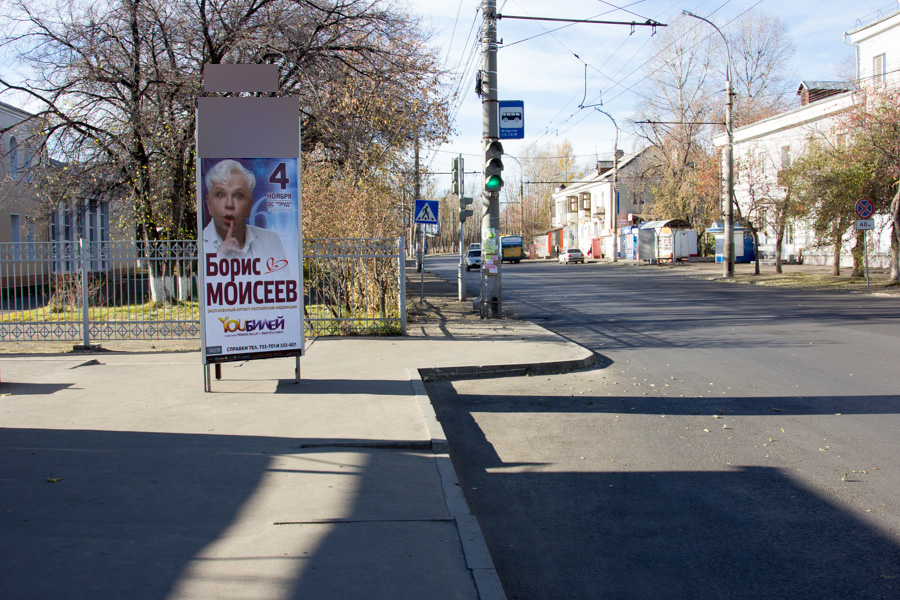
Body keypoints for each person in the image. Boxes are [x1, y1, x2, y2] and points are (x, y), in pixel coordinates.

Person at [202, 159, 288, 268]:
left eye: (238, 196)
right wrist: (219, 260)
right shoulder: (201, 243)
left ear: (249, 206)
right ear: (209, 204)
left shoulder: (272, 241)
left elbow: (282, 282)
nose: (229, 204)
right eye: (220, 195)